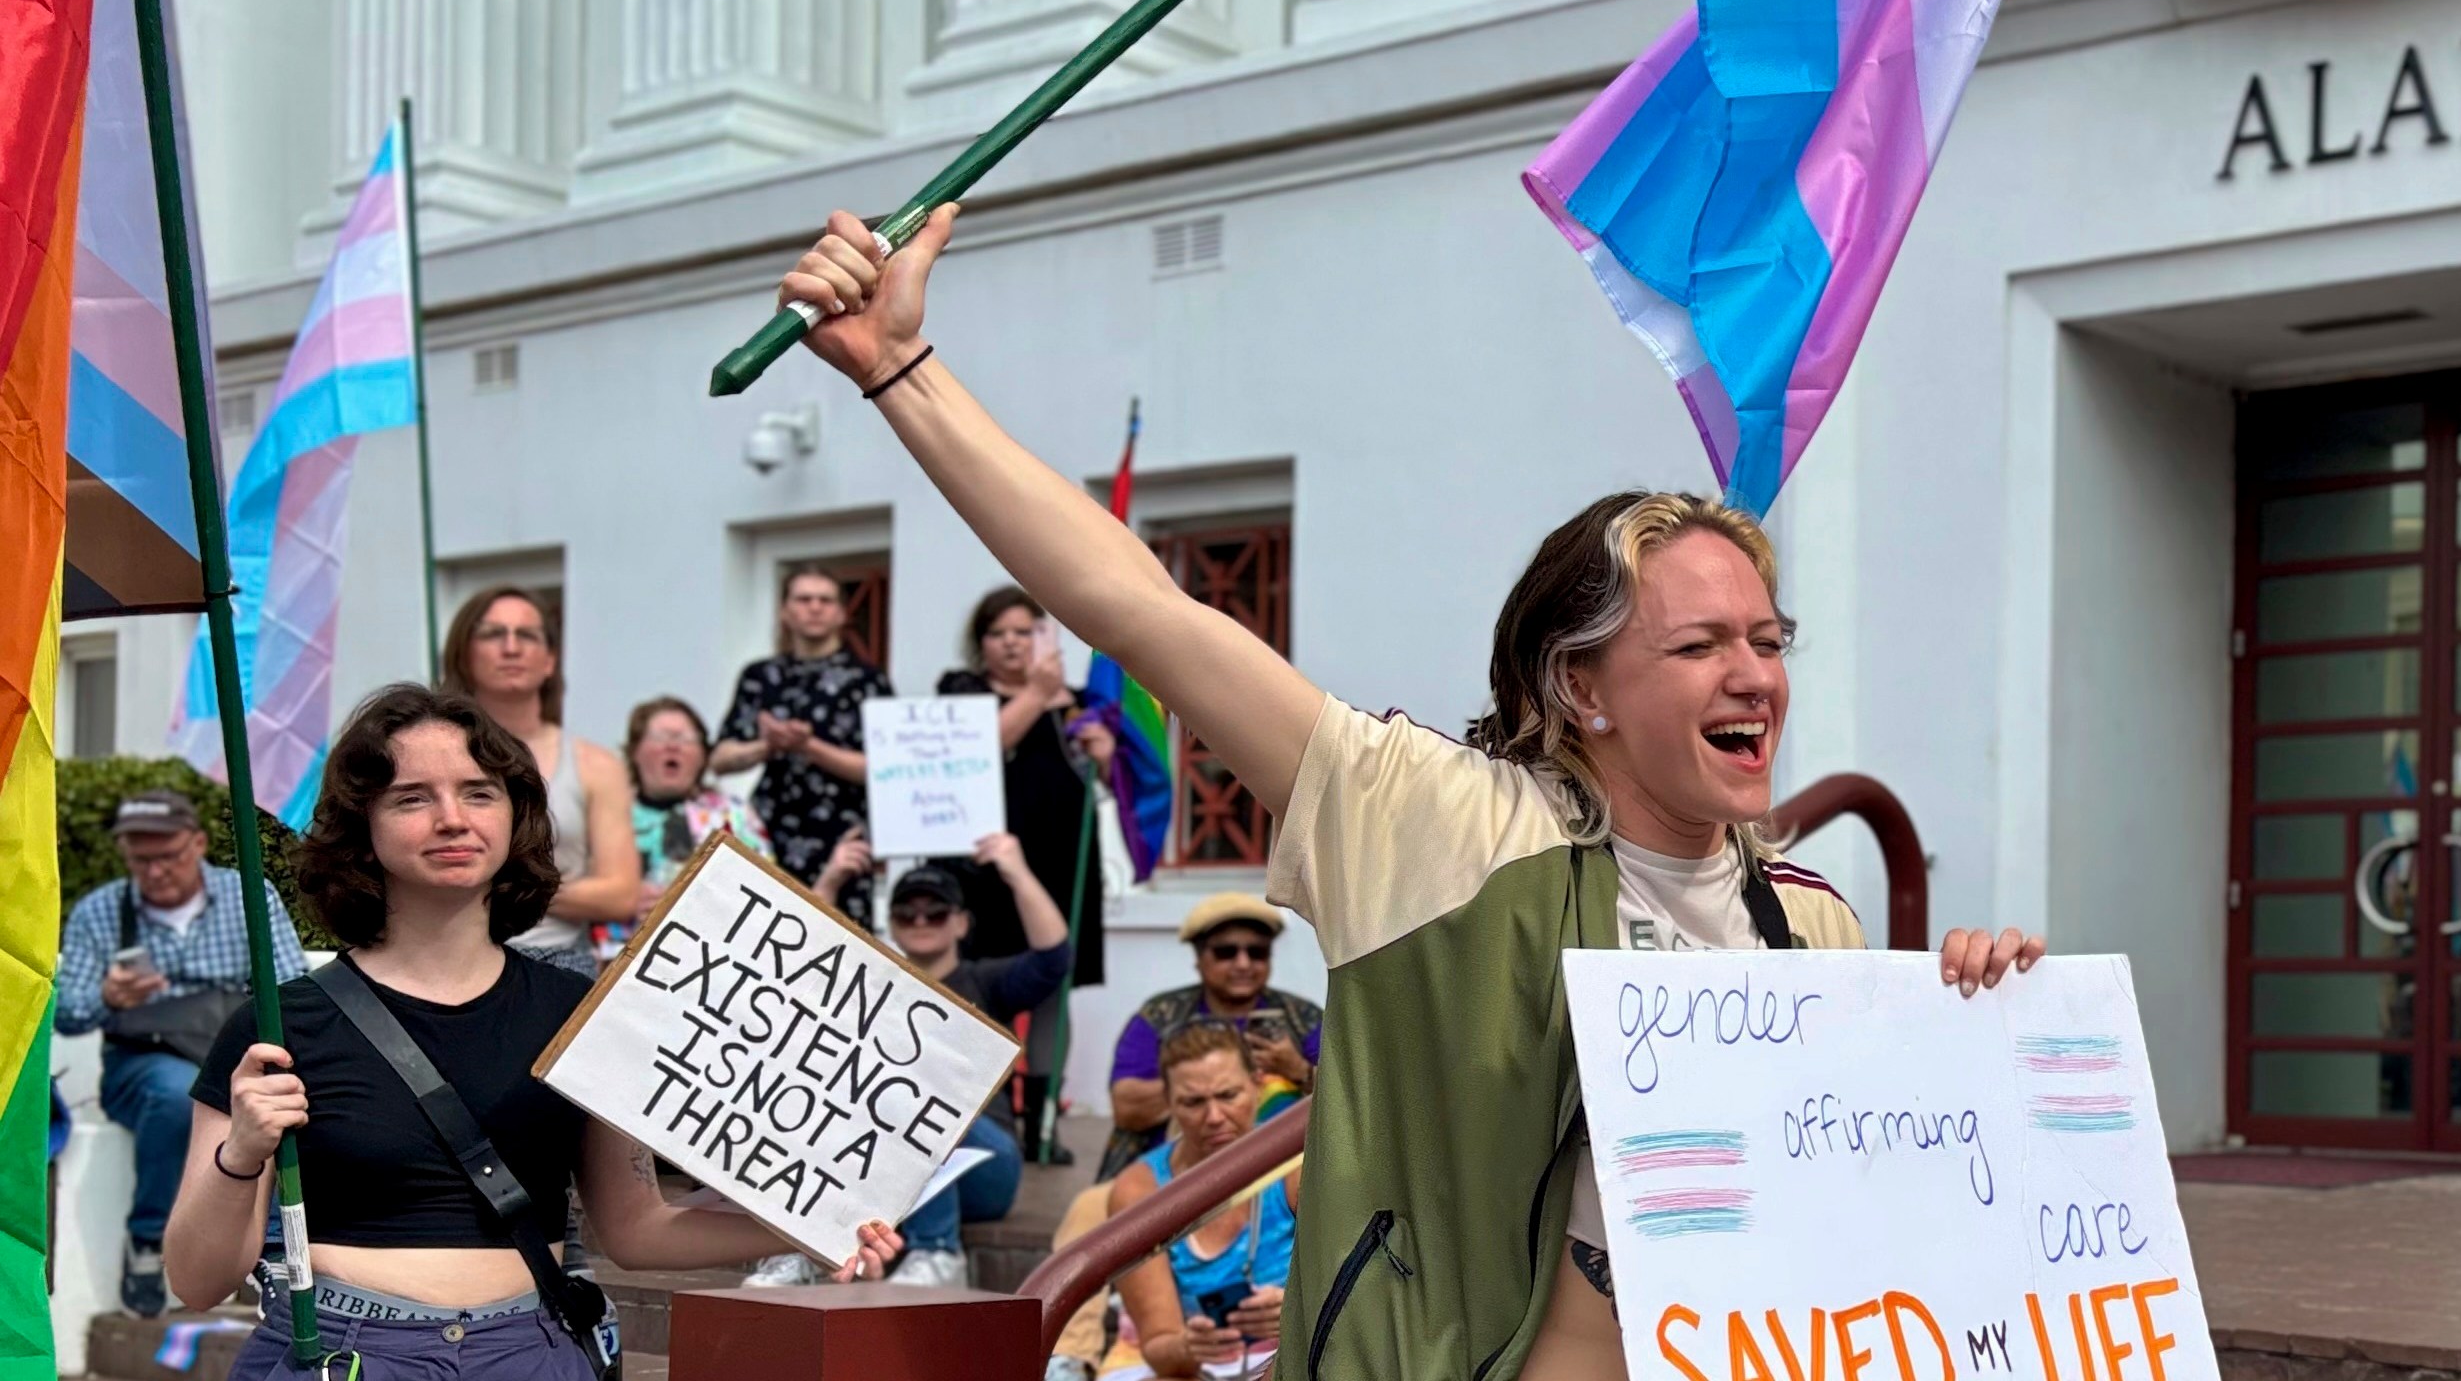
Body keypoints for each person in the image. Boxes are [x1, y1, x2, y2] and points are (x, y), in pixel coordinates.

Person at [774, 206, 2047, 1380]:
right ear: (1582, 687)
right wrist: (900, 373)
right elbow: (1137, 609)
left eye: (1768, 642)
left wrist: (1968, 1027)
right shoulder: (1433, 821)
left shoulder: (1813, 919)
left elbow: (1860, 1207)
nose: (1754, 677)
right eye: (1700, 644)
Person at [164, 684, 903, 1379]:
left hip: (533, 1347)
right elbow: (196, 1281)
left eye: (479, 793)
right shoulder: (275, 1027)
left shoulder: (580, 1010)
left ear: (514, 817)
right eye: (412, 798)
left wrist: (819, 1223)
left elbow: (636, 1229)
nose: (452, 818)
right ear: (363, 830)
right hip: (349, 1351)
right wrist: (242, 1154)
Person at [750, 833, 1071, 1290]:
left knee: (902, 1090)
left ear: (961, 923)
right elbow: (803, 956)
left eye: (936, 912)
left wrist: (1015, 869)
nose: (921, 920)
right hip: (882, 1174)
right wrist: (831, 878)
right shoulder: (870, 986)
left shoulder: (986, 982)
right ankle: (798, 1249)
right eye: (907, 912)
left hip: (983, 1165)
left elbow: (1054, 959)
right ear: (892, 923)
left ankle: (938, 1252)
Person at [54, 790, 308, 1317]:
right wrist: (108, 995)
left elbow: (292, 989)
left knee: (285, 1101)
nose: (156, 869)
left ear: (196, 844)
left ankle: (272, 1248)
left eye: (167, 854)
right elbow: (67, 1012)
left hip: (232, 1060)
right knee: (173, 1096)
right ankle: (148, 1243)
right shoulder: (102, 911)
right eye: (141, 858)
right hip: (142, 1064)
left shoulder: (248, 897)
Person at [937, 585, 1113, 1162]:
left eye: (1023, 631)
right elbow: (975, 755)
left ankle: (1042, 1128)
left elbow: (1113, 785)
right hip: (986, 865)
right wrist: (1037, 694)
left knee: (1051, 991)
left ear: (1043, 637)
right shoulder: (961, 691)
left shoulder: (1079, 701)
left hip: (1061, 864)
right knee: (981, 985)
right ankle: (988, 1122)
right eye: (998, 633)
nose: (1011, 643)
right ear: (980, 643)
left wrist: (1105, 753)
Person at [440, 586, 640, 979]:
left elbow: (620, 894)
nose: (511, 648)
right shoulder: (428, 756)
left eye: (527, 635)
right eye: (493, 634)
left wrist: (478, 882)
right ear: (464, 652)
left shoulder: (596, 765)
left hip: (556, 963)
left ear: (550, 660)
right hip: (442, 957)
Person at [1104, 1025, 1296, 1380]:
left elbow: (1357, 1302)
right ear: (1170, 1103)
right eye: (1193, 1102)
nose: (1214, 1117)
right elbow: (1161, 1347)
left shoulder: (1294, 1169)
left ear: (1258, 1084)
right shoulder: (1141, 1190)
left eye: (1228, 1095)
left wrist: (1297, 1313)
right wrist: (1189, 1347)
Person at [710, 566, 894, 920]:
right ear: (785, 612)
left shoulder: (868, 682)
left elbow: (884, 770)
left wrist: (809, 747)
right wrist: (767, 746)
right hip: (771, 828)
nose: (814, 607)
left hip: (842, 834)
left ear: (841, 614)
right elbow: (720, 758)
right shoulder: (760, 676)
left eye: (825, 600)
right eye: (804, 599)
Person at [1099, 895, 1319, 1181]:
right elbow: (1127, 1108)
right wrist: (1220, 1078)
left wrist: (1299, 1072)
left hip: (1284, 1176)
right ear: (1199, 959)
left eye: (1257, 952)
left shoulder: (1303, 1017)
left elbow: (1355, 1100)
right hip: (1170, 1179)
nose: (1243, 964)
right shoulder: (1160, 1016)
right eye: (1226, 952)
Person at [608, 696, 771, 960]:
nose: (672, 746)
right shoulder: (608, 812)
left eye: (685, 738)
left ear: (704, 756)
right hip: (617, 962)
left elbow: (769, 893)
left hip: (712, 962)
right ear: (634, 751)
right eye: (660, 737)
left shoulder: (735, 815)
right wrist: (621, 899)